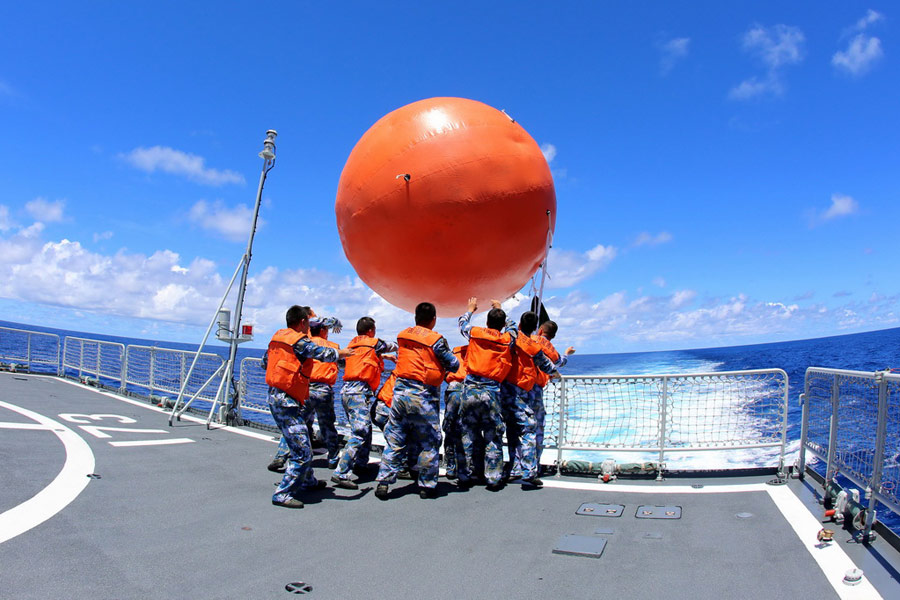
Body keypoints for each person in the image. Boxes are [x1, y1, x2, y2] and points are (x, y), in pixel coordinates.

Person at [264, 305, 351, 508]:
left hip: (277, 397)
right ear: (303, 322)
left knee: (302, 440)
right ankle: (282, 493)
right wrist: (342, 353)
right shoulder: (299, 341)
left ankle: (308, 481)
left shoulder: (277, 339)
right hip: (287, 402)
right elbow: (319, 352)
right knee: (303, 451)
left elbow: (264, 362)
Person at [374, 302, 459, 500]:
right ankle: (427, 485)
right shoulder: (435, 340)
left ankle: (384, 482)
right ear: (434, 319)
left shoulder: (403, 335)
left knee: (395, 439)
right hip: (423, 396)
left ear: (415, 317)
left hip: (400, 395)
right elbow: (453, 364)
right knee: (430, 440)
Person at [268, 316, 343, 472]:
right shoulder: (333, 347)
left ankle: (280, 456)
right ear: (323, 331)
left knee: (294, 426)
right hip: (323, 391)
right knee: (327, 426)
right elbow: (342, 362)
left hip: (305, 391)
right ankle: (333, 459)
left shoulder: (304, 344)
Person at [456, 297, 517, 491]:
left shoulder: (475, 333)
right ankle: (493, 478)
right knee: (493, 436)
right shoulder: (506, 339)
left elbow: (462, 324)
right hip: (491, 392)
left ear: (487, 323)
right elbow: (514, 328)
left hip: (471, 390)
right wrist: (501, 309)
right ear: (501, 325)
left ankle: (465, 475)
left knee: (468, 434)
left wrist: (470, 309)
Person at [331, 317, 397, 490]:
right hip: (359, 393)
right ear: (370, 331)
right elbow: (394, 345)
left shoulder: (352, 345)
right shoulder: (374, 343)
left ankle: (361, 463)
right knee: (360, 432)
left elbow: (346, 361)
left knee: (364, 429)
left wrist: (383, 356)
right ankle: (341, 472)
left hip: (346, 392)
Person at [500, 311, 558, 487]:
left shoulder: (511, 336)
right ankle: (529, 471)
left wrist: (498, 307)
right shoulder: (535, 347)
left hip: (506, 390)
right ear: (536, 329)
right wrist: (556, 372)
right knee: (529, 430)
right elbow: (550, 365)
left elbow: (508, 323)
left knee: (511, 430)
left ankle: (515, 468)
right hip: (523, 391)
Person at [532, 320, 575, 468]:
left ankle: (517, 465)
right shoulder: (550, 348)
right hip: (537, 389)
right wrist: (567, 354)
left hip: (519, 388)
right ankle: (534, 464)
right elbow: (560, 362)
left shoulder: (529, 340)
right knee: (538, 426)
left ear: (541, 330)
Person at [441, 345, 468, 480]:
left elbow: (445, 370)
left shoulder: (455, 351)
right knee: (465, 430)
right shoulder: (477, 351)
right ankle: (464, 470)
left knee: (449, 429)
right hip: (469, 391)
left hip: (453, 390)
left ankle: (451, 467)